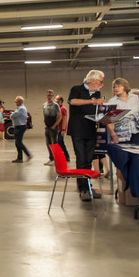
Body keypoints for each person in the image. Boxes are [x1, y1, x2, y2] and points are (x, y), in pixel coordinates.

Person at [68, 70, 105, 201]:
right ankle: (82, 188)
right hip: (78, 130)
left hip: (91, 129)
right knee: (81, 159)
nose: (101, 85)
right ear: (93, 81)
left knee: (89, 160)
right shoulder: (76, 89)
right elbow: (73, 102)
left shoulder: (97, 94)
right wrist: (92, 102)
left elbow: (96, 110)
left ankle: (88, 186)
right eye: (100, 81)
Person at [106, 78, 139, 145]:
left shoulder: (135, 98)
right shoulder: (111, 102)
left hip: (137, 131)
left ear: (125, 86)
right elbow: (107, 120)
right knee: (124, 154)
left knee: (137, 154)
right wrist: (113, 134)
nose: (116, 88)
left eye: (119, 86)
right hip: (121, 134)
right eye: (114, 87)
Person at [42, 90, 61, 166]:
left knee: (55, 144)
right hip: (47, 127)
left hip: (54, 128)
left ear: (53, 96)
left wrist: (54, 125)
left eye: (51, 95)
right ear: (46, 96)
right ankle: (51, 158)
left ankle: (57, 159)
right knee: (48, 144)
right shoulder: (44, 105)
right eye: (48, 95)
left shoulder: (55, 105)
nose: (49, 97)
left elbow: (59, 117)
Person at [11, 96, 32, 163]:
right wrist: (13, 116)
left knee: (18, 143)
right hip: (18, 127)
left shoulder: (21, 109)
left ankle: (28, 155)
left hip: (20, 127)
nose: (15, 102)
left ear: (20, 101)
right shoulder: (19, 108)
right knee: (17, 143)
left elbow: (13, 115)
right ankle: (20, 158)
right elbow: (13, 116)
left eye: (16, 101)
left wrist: (12, 116)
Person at [54, 95, 71, 162]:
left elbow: (64, 119)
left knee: (60, 143)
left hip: (61, 129)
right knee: (58, 143)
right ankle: (62, 157)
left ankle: (66, 156)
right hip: (57, 129)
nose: (55, 100)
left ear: (60, 101)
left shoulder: (62, 108)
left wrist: (63, 130)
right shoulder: (57, 108)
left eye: (56, 99)